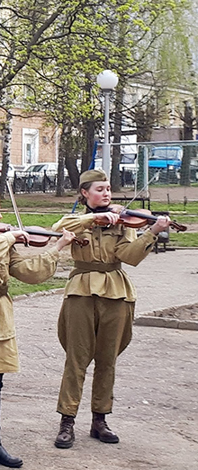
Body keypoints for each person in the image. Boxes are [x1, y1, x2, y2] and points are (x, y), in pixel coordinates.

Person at [0, 187, 74, 469]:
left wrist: (57, 248)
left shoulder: (1, 241)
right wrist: (7, 237)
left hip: (1, 315)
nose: (1, 215)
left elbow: (29, 273)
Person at [50, 169, 169, 449]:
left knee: (107, 359)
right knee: (76, 359)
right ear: (84, 193)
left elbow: (129, 256)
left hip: (116, 290)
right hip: (81, 289)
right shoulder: (80, 220)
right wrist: (95, 218)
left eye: (108, 189)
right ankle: (67, 421)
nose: (106, 194)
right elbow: (59, 227)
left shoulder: (123, 221)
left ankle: (99, 419)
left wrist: (151, 231)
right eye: (100, 189)